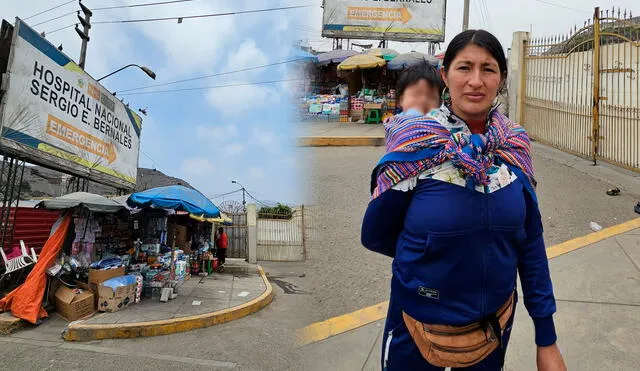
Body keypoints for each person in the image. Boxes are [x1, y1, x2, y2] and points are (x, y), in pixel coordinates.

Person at [361, 29, 567, 371]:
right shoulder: (417, 144)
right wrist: (434, 259)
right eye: (464, 67)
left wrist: (546, 338)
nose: (476, 81)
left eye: (488, 69)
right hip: (416, 331)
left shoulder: (513, 148)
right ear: (445, 75)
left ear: (500, 79)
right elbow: (376, 235)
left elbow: (529, 242)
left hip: (492, 332)